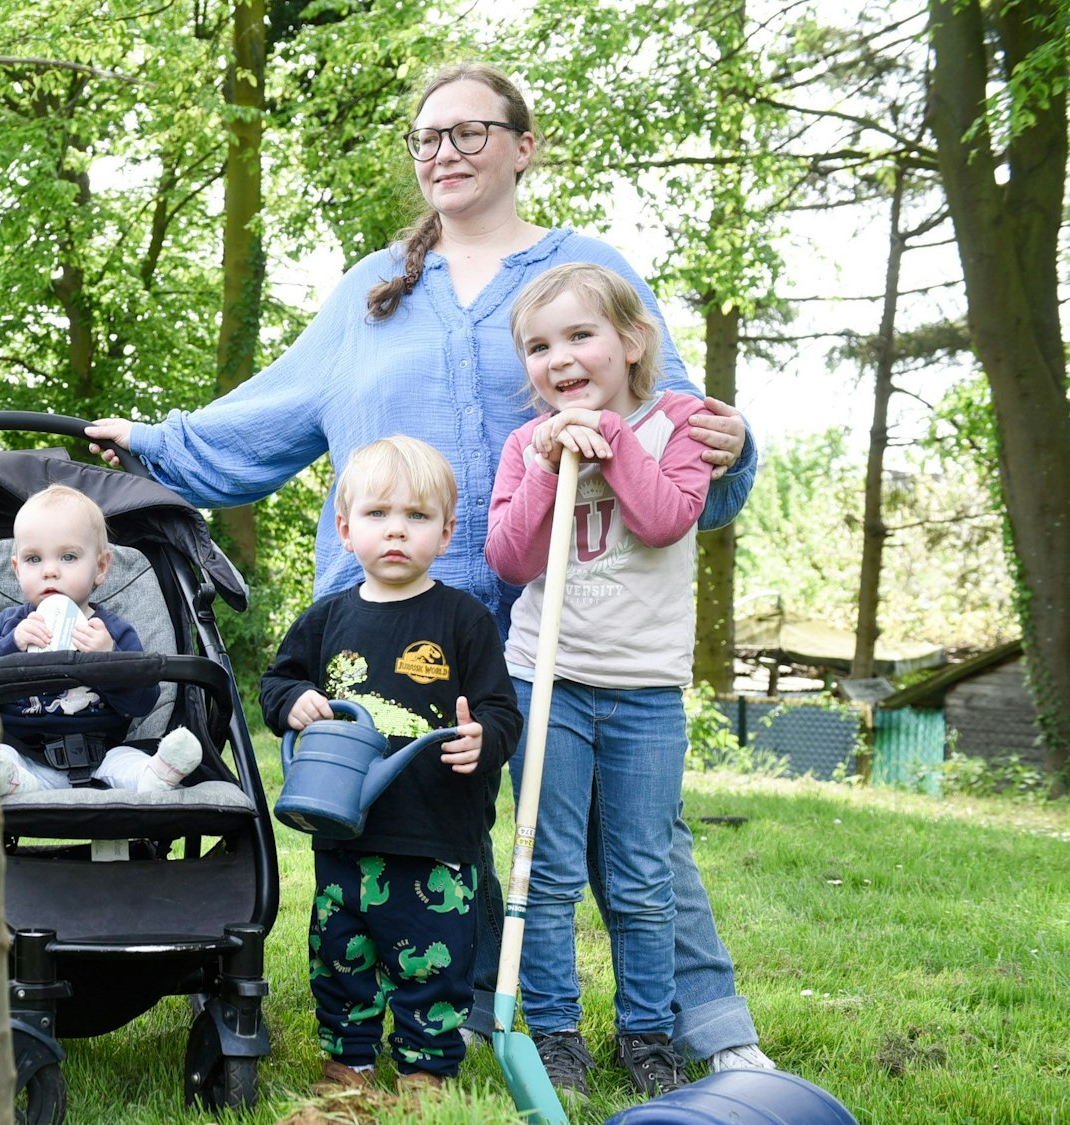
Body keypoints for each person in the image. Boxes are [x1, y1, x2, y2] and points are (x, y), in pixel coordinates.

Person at [86, 62, 773, 1073]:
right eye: (425, 138)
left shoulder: (581, 270)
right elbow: (273, 410)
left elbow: (671, 420)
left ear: (523, 145)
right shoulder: (371, 286)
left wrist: (735, 442)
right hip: (388, 608)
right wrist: (158, 441)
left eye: (468, 132)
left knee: (630, 835)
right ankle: (446, 1008)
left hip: (553, 607)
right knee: (404, 819)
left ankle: (706, 1031)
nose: (442, 153)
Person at [485, 263, 713, 1097]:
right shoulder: (525, 444)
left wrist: (612, 439)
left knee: (641, 874)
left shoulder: (676, 423)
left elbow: (663, 522)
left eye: (581, 335)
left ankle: (648, 1033)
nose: (561, 358)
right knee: (542, 869)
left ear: (632, 342)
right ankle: (554, 1036)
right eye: (539, 347)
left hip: (647, 688)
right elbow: (507, 557)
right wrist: (549, 463)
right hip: (548, 679)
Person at [261, 436, 520, 1102]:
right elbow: (276, 682)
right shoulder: (328, 618)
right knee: (340, 952)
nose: (397, 529)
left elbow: (501, 709)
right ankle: (348, 1065)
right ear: (345, 530)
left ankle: (424, 1069)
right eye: (377, 514)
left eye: (417, 515)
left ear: (447, 530)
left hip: (438, 835)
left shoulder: (465, 620)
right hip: (346, 829)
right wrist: (295, 702)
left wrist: (483, 739)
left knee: (432, 959)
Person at [0, 484, 201, 795]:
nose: (50, 571)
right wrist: (10, 646)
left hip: (104, 752)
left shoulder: (113, 631)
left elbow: (142, 702)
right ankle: (7, 778)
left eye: (68, 557)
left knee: (128, 760)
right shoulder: (9, 626)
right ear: (16, 568)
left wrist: (110, 657)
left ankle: (155, 774)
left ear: (100, 567)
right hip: (25, 753)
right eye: (34, 559)